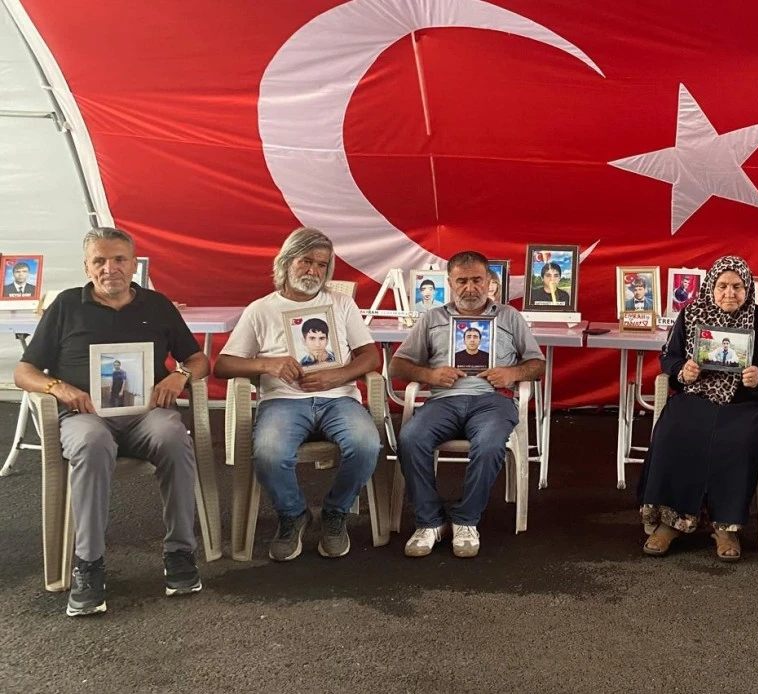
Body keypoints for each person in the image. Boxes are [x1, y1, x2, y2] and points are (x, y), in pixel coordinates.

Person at [14, 226, 210, 616]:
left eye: (119, 259)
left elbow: (198, 359)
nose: (110, 268)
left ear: (134, 264)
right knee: (92, 443)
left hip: (146, 414)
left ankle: (180, 552)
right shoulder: (66, 306)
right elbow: (24, 371)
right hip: (86, 416)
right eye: (100, 261)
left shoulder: (157, 305)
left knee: (173, 435)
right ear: (87, 267)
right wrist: (57, 387)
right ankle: (88, 564)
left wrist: (180, 375)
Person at [215, 227, 383, 562]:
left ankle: (335, 512)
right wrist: (267, 364)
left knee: (367, 444)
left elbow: (370, 357)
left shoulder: (341, 304)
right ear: (287, 262)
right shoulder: (260, 309)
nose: (313, 271)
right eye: (306, 261)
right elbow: (223, 365)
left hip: (339, 399)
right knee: (269, 452)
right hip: (283, 401)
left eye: (322, 265)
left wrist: (339, 374)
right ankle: (293, 514)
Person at [638, 256, 758, 561]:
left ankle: (726, 529)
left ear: (748, 288)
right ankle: (671, 523)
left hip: (743, 404)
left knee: (740, 441)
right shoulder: (691, 314)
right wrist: (682, 370)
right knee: (672, 433)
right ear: (711, 287)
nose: (729, 293)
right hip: (695, 397)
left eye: (737, 286)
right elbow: (668, 357)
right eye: (722, 286)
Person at [392, 251, 546, 558]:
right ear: (449, 283)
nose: (470, 288)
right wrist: (430, 375)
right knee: (410, 438)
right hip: (443, 401)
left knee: (489, 444)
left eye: (477, 280)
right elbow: (397, 365)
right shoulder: (432, 318)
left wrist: (512, 373)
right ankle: (429, 522)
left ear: (489, 281)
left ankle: (465, 520)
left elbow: (537, 364)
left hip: (493, 401)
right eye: (461, 281)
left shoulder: (509, 317)